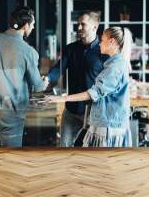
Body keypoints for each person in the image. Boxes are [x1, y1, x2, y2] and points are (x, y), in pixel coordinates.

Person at [48, 27, 132, 147]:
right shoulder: (114, 63)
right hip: (105, 123)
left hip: (109, 126)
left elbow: (93, 93)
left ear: (112, 42)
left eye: (102, 40)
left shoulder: (115, 67)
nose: (99, 44)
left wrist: (63, 99)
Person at [0, 6, 47, 147]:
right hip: (11, 112)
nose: (33, 28)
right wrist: (44, 82)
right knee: (10, 156)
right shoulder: (28, 51)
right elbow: (38, 86)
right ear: (26, 25)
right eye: (32, 25)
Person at [44, 10, 109, 147]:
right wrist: (48, 78)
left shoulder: (104, 51)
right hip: (72, 110)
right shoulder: (70, 49)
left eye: (83, 24)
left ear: (94, 27)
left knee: (92, 151)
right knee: (64, 147)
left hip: (94, 113)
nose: (78, 27)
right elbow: (59, 68)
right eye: (78, 24)